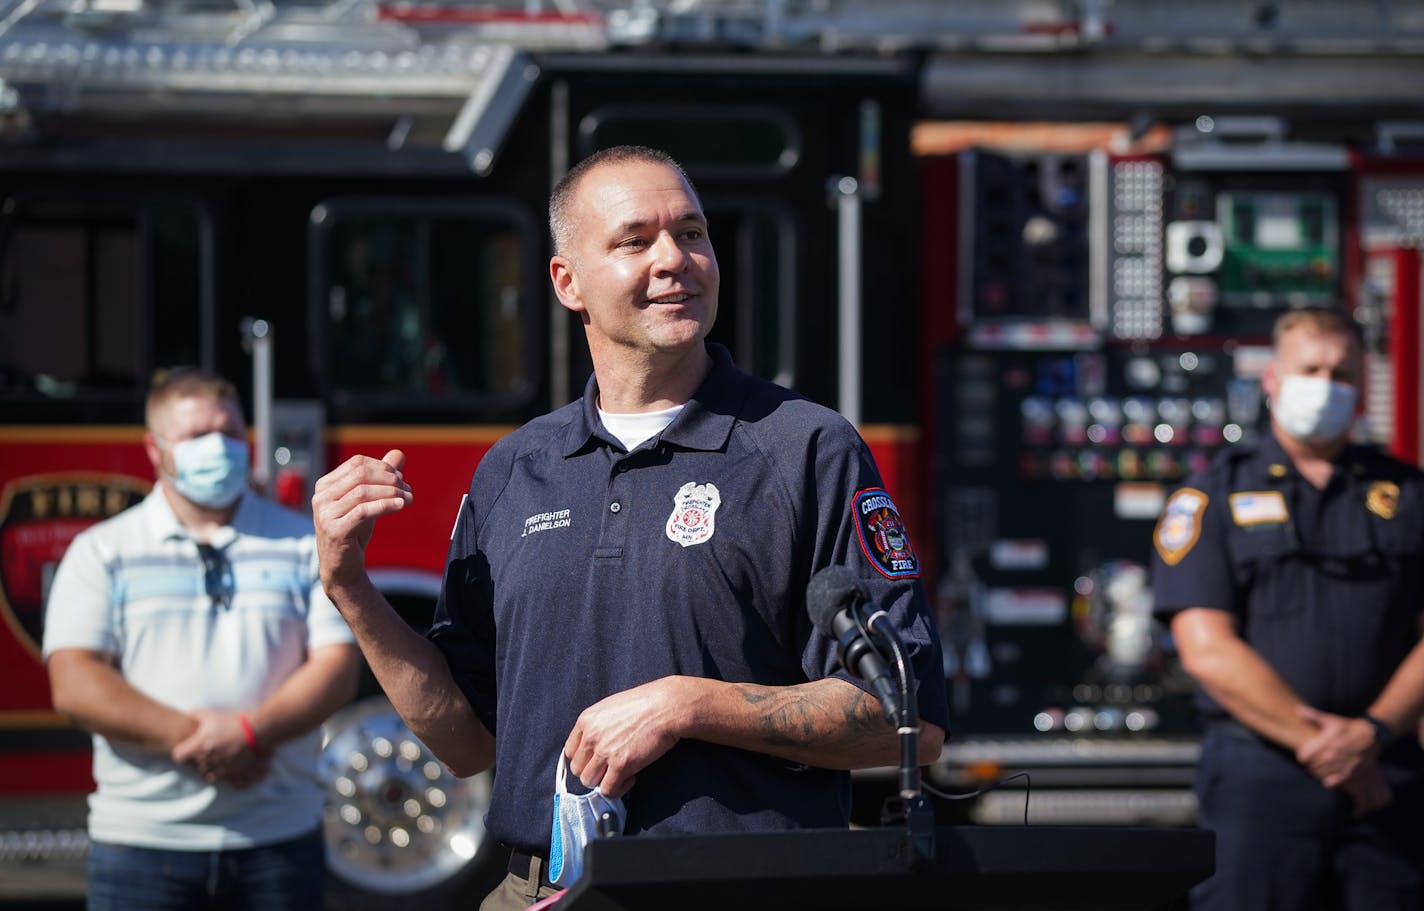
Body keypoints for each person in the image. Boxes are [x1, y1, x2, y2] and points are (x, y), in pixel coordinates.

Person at [312, 144, 949, 911]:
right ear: (566, 282)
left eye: (692, 233)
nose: (676, 259)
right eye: (635, 240)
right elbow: (466, 742)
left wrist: (687, 704)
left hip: (747, 893)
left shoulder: (805, 447)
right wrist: (350, 588)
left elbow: (905, 722)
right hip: (540, 892)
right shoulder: (514, 470)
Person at [43, 367, 361, 911]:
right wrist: (208, 740)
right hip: (141, 849)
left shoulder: (302, 544)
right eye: (195, 437)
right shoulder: (102, 551)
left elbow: (337, 667)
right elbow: (75, 683)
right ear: (154, 448)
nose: (219, 448)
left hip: (278, 844)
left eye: (231, 434)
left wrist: (250, 732)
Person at [1152, 306, 1424, 910]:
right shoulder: (1211, 495)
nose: (1327, 385)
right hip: (1261, 774)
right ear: (1273, 379)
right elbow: (1206, 647)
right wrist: (1338, 753)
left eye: (1343, 373)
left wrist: (1372, 734)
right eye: (1311, 369)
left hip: (1389, 775)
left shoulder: (1409, 495)